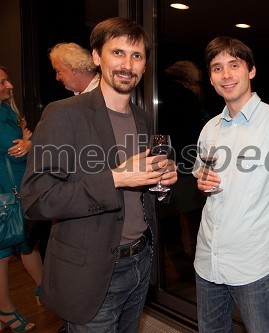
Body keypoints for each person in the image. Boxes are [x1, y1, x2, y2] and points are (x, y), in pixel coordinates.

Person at [21, 17, 178, 333]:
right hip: (92, 271)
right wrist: (116, 178)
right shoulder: (63, 114)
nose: (127, 64)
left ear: (145, 65)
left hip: (141, 260)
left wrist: (160, 184)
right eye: (117, 53)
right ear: (96, 57)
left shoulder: (143, 118)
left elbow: (141, 187)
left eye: (136, 56)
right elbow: (37, 199)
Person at [194, 36, 269, 333]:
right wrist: (203, 182)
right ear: (211, 78)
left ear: (251, 71)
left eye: (234, 65)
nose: (226, 75)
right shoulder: (210, 128)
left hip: (255, 265)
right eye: (217, 68)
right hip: (208, 259)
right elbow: (204, 177)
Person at [0, 66, 43, 332]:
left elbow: (23, 142)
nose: (10, 85)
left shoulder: (7, 110)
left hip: (20, 188)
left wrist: (29, 141)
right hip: (4, 192)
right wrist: (27, 142)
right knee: (3, 251)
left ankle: (46, 290)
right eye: (3, 81)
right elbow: (15, 145)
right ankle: (4, 310)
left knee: (27, 242)